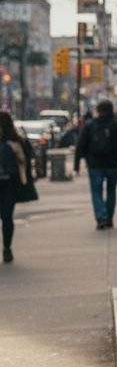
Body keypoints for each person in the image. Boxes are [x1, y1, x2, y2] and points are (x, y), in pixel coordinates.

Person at [74, 100, 117, 230]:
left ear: (98, 110)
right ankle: (109, 218)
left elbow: (80, 145)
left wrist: (77, 165)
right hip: (113, 164)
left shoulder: (90, 125)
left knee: (96, 192)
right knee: (111, 191)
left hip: (94, 164)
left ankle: (101, 217)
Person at [0, 111, 38, 263]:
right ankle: (7, 248)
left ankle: (7, 249)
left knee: (7, 218)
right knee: (7, 218)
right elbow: (28, 162)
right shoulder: (18, 141)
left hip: (9, 184)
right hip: (11, 184)